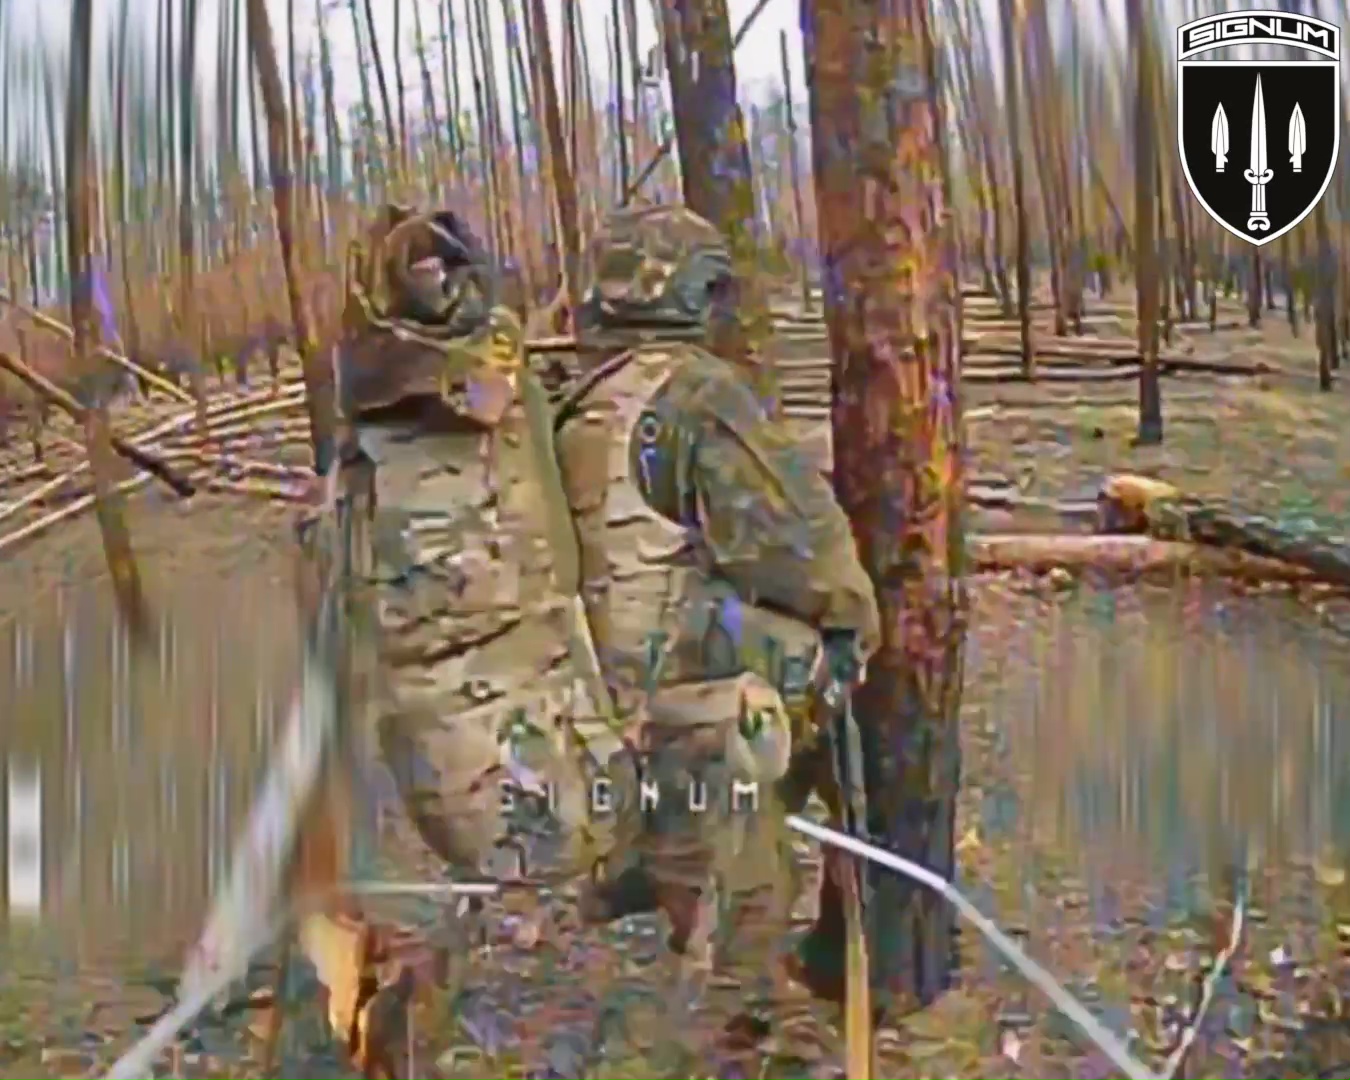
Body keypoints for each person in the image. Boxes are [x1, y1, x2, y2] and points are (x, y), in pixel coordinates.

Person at [545, 202, 881, 1070]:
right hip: (689, 711)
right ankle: (742, 1024)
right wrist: (853, 626)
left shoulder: (576, 404)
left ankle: (649, 867)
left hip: (598, 708)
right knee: (750, 896)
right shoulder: (696, 397)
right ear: (694, 291)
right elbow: (799, 551)